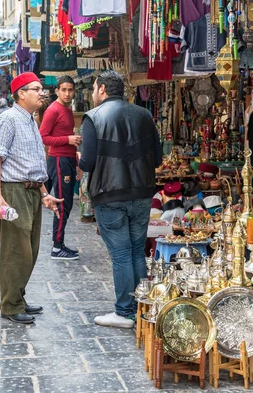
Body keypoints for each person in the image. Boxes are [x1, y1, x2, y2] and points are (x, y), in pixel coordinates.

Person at [79, 70, 162, 328]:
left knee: (122, 254)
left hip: (110, 194)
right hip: (142, 192)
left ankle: (125, 311)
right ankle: (141, 307)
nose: (93, 93)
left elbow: (88, 162)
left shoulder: (93, 117)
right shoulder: (144, 115)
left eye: (94, 88)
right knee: (137, 250)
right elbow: (157, 159)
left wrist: (79, 157)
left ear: (102, 89)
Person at [0, 72, 64, 324]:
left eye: (41, 89)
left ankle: (18, 297)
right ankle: (10, 305)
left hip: (31, 191)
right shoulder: (9, 119)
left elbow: (31, 163)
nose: (41, 93)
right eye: (36, 89)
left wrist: (44, 193)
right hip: (14, 191)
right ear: (21, 93)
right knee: (15, 250)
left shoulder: (30, 119)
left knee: (30, 249)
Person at [39, 76, 81, 260]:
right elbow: (43, 137)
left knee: (68, 203)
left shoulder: (68, 109)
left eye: (70, 90)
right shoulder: (53, 110)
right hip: (58, 160)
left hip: (69, 159)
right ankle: (57, 247)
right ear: (57, 90)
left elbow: (67, 136)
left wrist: (77, 163)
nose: (67, 93)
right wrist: (68, 140)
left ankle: (60, 242)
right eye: (63, 89)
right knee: (62, 202)